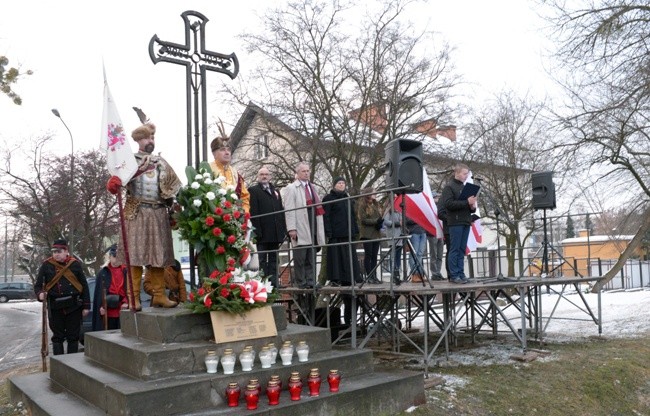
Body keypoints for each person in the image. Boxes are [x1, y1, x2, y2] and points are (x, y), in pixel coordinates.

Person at [106, 122, 182, 309]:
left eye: (153, 137)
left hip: (158, 213)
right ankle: (134, 298)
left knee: (158, 256)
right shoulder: (129, 160)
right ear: (139, 140)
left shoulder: (161, 163)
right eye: (147, 137)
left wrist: (174, 211)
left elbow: (173, 189)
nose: (151, 141)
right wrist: (113, 184)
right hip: (136, 212)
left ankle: (158, 295)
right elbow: (115, 182)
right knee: (136, 255)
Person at [35, 239, 90, 355]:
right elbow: (38, 284)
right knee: (58, 337)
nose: (56, 254)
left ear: (66, 251)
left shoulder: (75, 264)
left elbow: (84, 285)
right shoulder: (46, 265)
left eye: (59, 251)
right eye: (54, 252)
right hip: (55, 307)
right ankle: (59, 364)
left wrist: (86, 306)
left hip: (73, 306)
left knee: (73, 337)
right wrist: (40, 294)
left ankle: (72, 365)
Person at [323, 177, 361, 325]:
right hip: (336, 234)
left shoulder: (348, 198)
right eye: (339, 183)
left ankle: (350, 275)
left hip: (348, 233)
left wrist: (355, 229)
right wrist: (328, 231)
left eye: (343, 183)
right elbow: (326, 217)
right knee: (337, 257)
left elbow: (352, 215)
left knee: (349, 257)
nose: (341, 185)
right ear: (334, 185)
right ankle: (336, 278)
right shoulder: (329, 198)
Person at [282, 162, 325, 289]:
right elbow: (289, 209)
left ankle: (311, 280)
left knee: (311, 255)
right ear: (298, 173)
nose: (306, 173)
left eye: (308, 171)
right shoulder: (291, 188)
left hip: (313, 222)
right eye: (303, 171)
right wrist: (291, 228)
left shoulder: (312, 187)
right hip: (300, 223)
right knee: (300, 256)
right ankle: (301, 281)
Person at [249, 166, 287, 288]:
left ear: (269, 176)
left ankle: (274, 283)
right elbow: (254, 212)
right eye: (262, 174)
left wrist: (282, 230)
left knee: (274, 259)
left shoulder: (275, 191)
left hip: (275, 232)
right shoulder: (253, 191)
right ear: (258, 176)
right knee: (261, 260)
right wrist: (257, 232)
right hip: (262, 232)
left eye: (266, 174)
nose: (264, 176)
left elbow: (280, 211)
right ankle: (263, 283)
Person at [440, 163, 477, 284]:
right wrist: (466, 202)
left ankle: (461, 273)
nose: (466, 176)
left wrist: (472, 206)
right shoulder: (449, 187)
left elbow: (468, 207)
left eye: (467, 174)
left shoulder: (464, 187)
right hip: (455, 222)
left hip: (465, 220)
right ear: (457, 173)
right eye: (464, 173)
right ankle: (454, 274)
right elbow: (448, 204)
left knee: (462, 249)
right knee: (454, 249)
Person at [208, 124, 250, 213]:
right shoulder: (207, 170)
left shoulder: (235, 173)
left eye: (228, 150)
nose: (227, 153)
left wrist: (244, 213)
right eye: (222, 149)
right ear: (214, 154)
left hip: (235, 219)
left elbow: (244, 197)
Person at [92, 244, 127, 331]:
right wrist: (101, 306)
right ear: (110, 256)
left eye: (119, 256)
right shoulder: (103, 272)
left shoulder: (126, 272)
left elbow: (130, 290)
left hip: (123, 309)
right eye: (114, 256)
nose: (116, 259)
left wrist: (126, 302)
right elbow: (99, 293)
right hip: (108, 310)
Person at [356, 187, 383, 284]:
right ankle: (369, 276)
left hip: (376, 233)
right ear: (368, 194)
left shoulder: (376, 204)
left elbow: (379, 217)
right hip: (367, 234)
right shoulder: (362, 205)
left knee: (375, 256)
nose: (375, 194)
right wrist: (375, 221)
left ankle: (374, 276)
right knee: (369, 255)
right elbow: (363, 220)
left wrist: (380, 222)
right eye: (373, 193)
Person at [382, 202, 403, 286]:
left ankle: (397, 274)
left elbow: (402, 221)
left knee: (398, 257)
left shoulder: (399, 212)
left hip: (399, 237)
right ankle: (394, 275)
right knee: (393, 256)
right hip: (392, 237)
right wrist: (396, 224)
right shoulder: (388, 212)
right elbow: (386, 221)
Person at [427, 192, 446, 280]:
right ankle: (434, 273)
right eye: (436, 197)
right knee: (433, 254)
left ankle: (438, 272)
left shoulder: (440, 207)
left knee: (440, 254)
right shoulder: (429, 208)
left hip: (440, 233)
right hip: (432, 233)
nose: (437, 199)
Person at [406, 217, 427, 282]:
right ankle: (414, 274)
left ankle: (420, 274)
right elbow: (407, 221)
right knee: (414, 254)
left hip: (423, 232)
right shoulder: (407, 209)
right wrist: (418, 218)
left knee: (420, 254)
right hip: (414, 232)